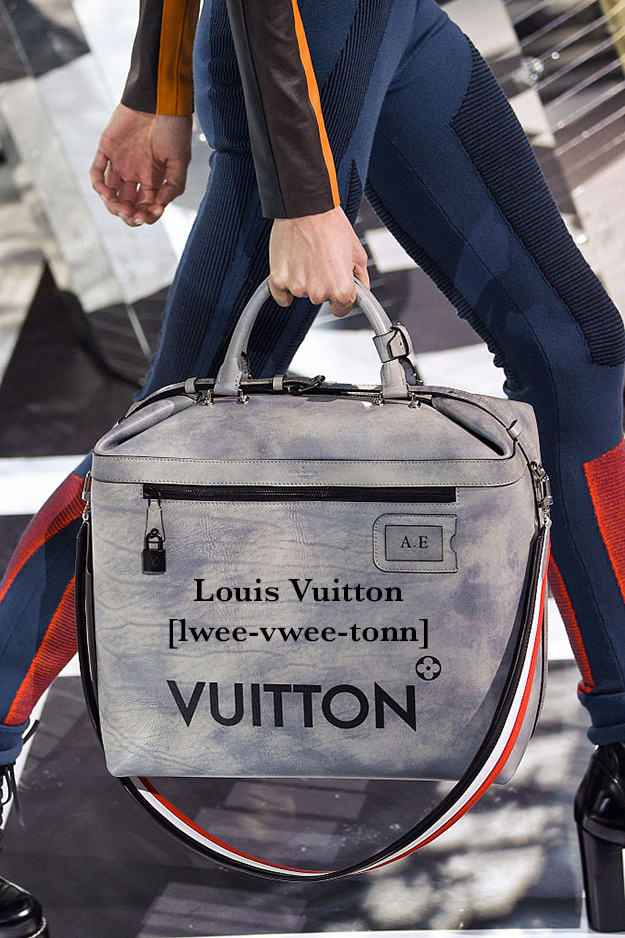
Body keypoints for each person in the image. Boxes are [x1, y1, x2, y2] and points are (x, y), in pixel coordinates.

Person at [1, 0, 625, 932]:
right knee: (165, 447)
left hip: (393, 23)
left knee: (575, 354)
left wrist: (159, 82)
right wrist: (301, 196)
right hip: (305, 45)